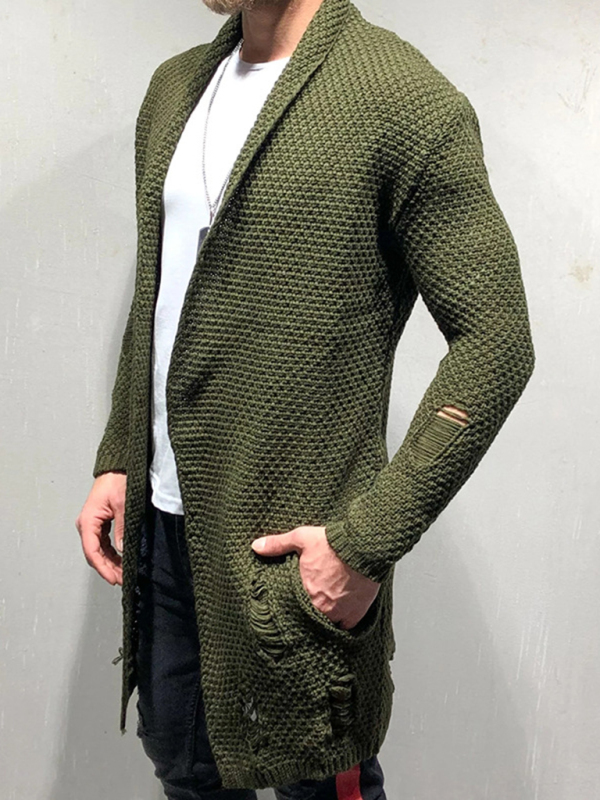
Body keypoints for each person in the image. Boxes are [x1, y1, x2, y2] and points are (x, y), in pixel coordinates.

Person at [75, 0, 535, 797]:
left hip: (290, 558)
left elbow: (497, 342)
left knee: (319, 782)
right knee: (184, 768)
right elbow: (159, 297)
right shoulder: (175, 88)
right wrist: (121, 454)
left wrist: (363, 545)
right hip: (165, 532)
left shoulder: (403, 99)